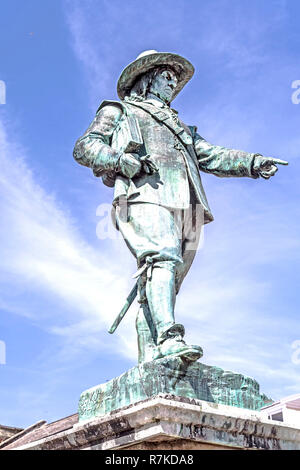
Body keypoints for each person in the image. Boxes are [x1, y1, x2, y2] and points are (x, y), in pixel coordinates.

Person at [73, 50, 287, 363]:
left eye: (176, 78)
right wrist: (118, 160)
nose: (173, 82)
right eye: (167, 75)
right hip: (142, 195)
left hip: (189, 206)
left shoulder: (182, 127)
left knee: (165, 281)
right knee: (164, 258)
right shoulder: (120, 109)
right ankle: (170, 337)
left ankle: (153, 355)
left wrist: (252, 163)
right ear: (147, 78)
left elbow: (212, 156)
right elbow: (85, 146)